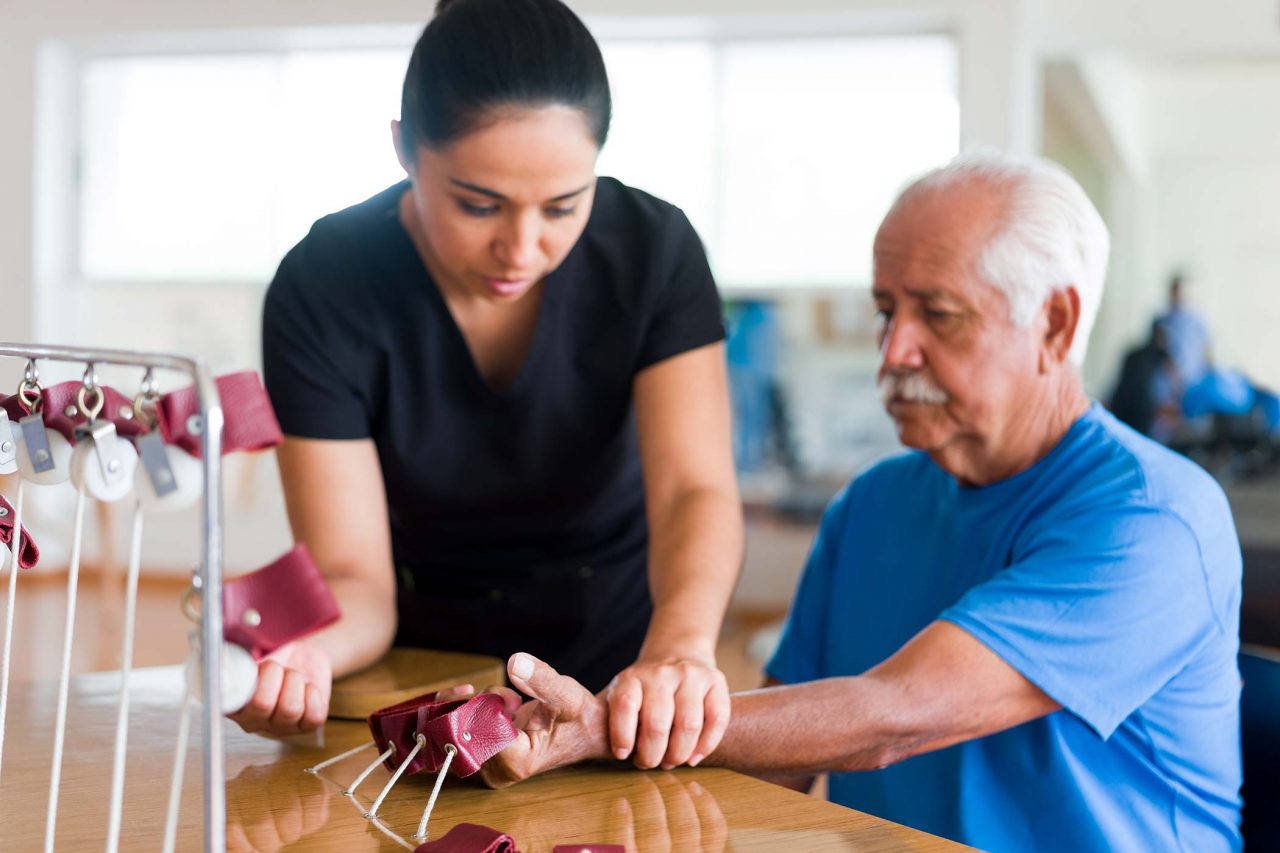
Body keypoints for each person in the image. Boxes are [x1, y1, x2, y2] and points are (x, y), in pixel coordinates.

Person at [475, 153, 1244, 853]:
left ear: (1055, 322)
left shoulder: (1154, 519)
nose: (893, 351)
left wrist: (608, 727)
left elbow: (897, 713)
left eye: (937, 315)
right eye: (886, 311)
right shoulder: (872, 505)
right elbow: (774, 765)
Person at [246, 0, 743, 774]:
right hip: (422, 667)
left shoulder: (655, 252)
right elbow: (355, 577)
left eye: (563, 206)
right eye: (478, 205)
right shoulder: (325, 285)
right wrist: (304, 653)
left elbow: (693, 491)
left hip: (625, 663)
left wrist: (680, 650)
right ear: (405, 149)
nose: (522, 248)